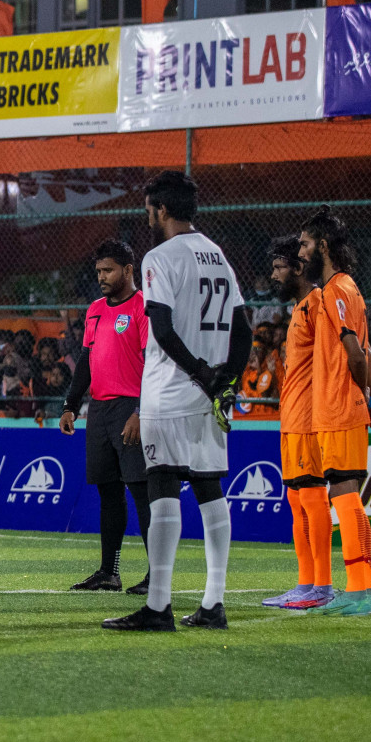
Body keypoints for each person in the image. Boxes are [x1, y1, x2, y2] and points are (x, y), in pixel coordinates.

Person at [103, 172, 248, 632]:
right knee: (209, 487)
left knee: (162, 482)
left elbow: (161, 329)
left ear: (161, 210)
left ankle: (159, 606)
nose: (147, 216)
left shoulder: (159, 257)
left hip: (170, 392)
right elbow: (243, 326)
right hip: (208, 399)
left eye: (149, 208)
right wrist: (226, 382)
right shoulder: (218, 255)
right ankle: (213, 602)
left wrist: (199, 372)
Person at [299, 207, 371, 616]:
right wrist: (370, 401)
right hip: (347, 406)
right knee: (347, 495)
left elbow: (355, 353)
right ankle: (361, 588)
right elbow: (368, 353)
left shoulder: (334, 290)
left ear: (324, 246)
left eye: (305, 243)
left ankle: (360, 591)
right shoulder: (350, 287)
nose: (301, 251)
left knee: (344, 494)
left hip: (337, 407)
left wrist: (362, 400)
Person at [61, 239, 152, 595]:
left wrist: (142, 411)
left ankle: (156, 574)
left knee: (142, 492)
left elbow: (153, 362)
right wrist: (71, 404)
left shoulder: (144, 306)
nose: (101, 276)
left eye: (108, 270)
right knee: (108, 492)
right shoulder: (95, 309)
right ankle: (108, 572)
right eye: (98, 270)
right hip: (98, 409)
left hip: (130, 408)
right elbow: (86, 360)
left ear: (129, 270)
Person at [261, 235, 334, 609]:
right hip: (290, 418)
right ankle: (305, 584)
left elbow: (338, 356)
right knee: (295, 500)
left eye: (279, 268)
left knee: (312, 496)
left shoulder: (318, 304)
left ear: (299, 268)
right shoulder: (299, 308)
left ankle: (322, 585)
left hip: (308, 418)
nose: (274, 275)